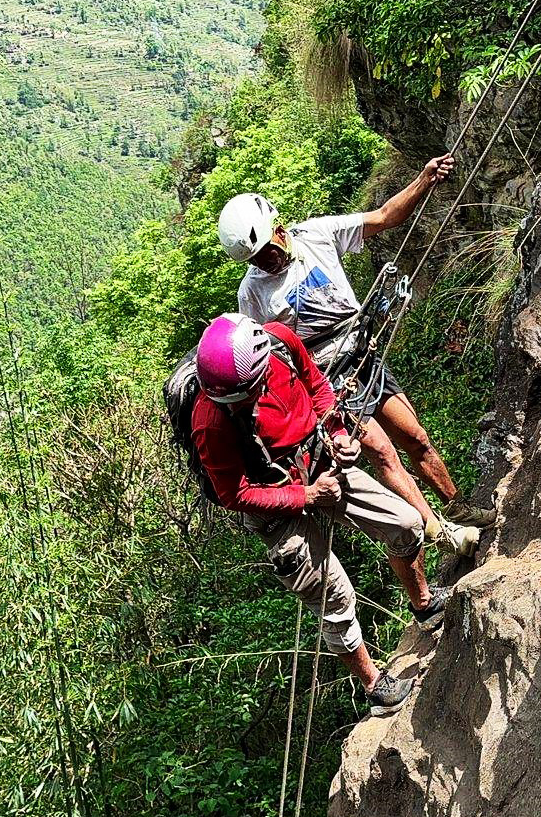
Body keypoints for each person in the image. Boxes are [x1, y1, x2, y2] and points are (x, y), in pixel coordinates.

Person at [215, 156, 496, 558]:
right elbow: (263, 355)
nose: (265, 262)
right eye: (255, 259)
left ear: (279, 229)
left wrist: (423, 179)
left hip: (362, 352)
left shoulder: (316, 235)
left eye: (266, 251)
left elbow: (382, 217)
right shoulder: (252, 293)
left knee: (415, 436)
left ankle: (457, 504)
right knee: (382, 452)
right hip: (327, 377)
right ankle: (441, 534)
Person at [190, 312, 449, 715]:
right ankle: (374, 685)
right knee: (334, 595)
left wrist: (341, 435)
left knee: (405, 523)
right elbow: (233, 493)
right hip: (278, 505)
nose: (239, 403)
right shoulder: (212, 422)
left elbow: (318, 388)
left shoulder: (279, 344)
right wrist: (306, 496)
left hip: (320, 463)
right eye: (232, 397)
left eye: (245, 393)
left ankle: (425, 605)